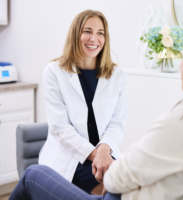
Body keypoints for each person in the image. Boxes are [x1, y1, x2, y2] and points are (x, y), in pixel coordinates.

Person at [9, 28, 183, 200]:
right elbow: (61, 128)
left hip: (117, 193)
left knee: (33, 175)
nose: (181, 64)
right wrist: (102, 157)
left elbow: (116, 180)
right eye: (88, 31)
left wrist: (107, 156)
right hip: (92, 165)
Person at [38, 10, 127, 195]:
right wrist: (97, 155)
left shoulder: (117, 75)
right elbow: (60, 127)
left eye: (100, 33)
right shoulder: (54, 72)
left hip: (104, 153)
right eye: (87, 31)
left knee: (128, 185)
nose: (94, 38)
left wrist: (103, 149)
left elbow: (117, 124)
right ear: (75, 34)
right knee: (112, 190)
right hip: (71, 157)